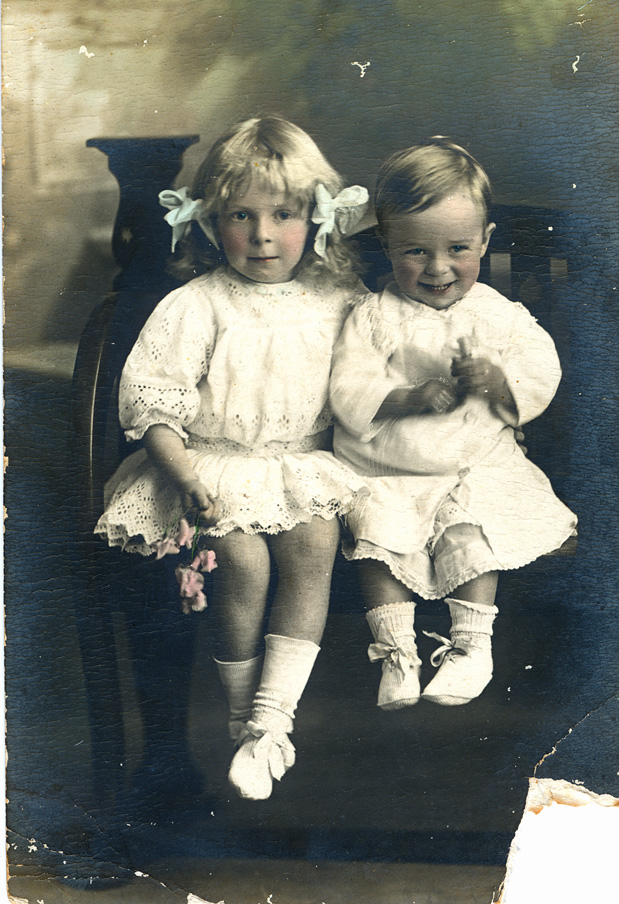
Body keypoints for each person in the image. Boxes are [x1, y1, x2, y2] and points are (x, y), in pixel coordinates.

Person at [95, 115, 370, 799]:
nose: (263, 234)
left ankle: (272, 723)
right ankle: (243, 716)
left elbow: (374, 381)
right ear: (212, 224)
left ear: (317, 219)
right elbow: (153, 405)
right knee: (240, 560)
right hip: (205, 468)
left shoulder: (340, 301)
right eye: (241, 216)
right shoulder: (196, 304)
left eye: (283, 214)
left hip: (300, 465)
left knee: (315, 539)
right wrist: (184, 476)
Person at [330, 138, 577, 711]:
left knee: (470, 532)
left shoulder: (498, 315)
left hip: (474, 463)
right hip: (390, 465)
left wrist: (496, 383)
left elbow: (541, 376)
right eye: (416, 251)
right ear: (387, 244)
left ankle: (471, 648)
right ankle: (396, 654)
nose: (438, 269)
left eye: (458, 248)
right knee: (378, 540)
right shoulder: (371, 317)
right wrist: (408, 398)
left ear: (485, 242)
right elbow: (348, 389)